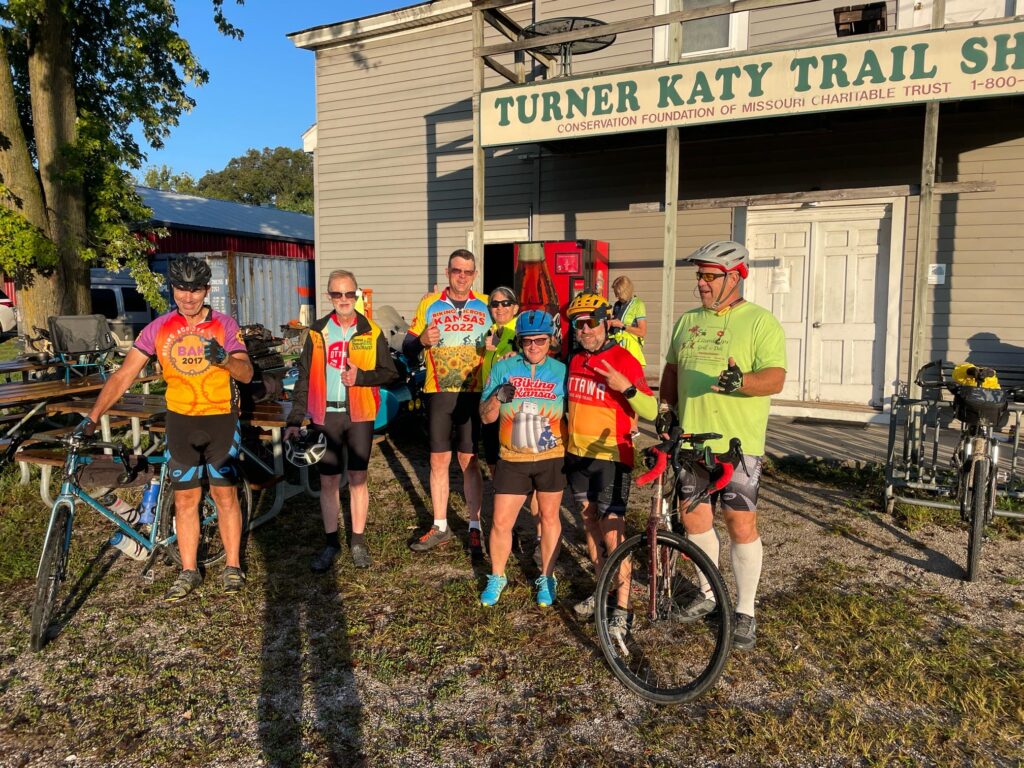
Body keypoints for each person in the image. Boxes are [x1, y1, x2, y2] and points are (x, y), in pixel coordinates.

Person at [77, 256, 254, 602]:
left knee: (224, 495)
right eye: (181, 289)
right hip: (181, 420)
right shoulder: (158, 328)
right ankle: (189, 571)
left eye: (195, 290)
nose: (188, 297)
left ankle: (232, 565)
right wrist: (93, 416)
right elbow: (125, 375)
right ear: (173, 289)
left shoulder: (225, 325)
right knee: (186, 498)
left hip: (219, 418)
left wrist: (224, 359)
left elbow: (246, 374)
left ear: (206, 290)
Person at [658, 240, 786, 651]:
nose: (701, 283)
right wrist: (665, 407)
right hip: (693, 439)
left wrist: (742, 382)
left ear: (735, 277)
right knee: (694, 520)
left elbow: (776, 378)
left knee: (739, 524)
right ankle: (709, 594)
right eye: (699, 275)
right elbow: (672, 368)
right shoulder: (688, 321)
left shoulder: (760, 322)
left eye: (710, 276)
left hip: (738, 444)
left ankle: (745, 611)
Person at [285, 269, 398, 571]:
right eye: (338, 294)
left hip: (360, 413)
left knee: (359, 477)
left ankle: (358, 541)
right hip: (326, 414)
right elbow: (304, 377)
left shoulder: (371, 331)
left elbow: (390, 372)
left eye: (350, 293)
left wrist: (361, 377)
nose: (344, 299)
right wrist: (295, 419)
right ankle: (331, 542)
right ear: (329, 296)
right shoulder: (317, 331)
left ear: (357, 294)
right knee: (329, 480)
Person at [564, 292, 657, 642]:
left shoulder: (624, 359)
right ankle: (602, 590)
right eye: (579, 324)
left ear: (605, 321)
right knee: (589, 524)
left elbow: (650, 409)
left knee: (613, 532)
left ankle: (623, 608)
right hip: (577, 455)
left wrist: (626, 387)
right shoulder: (573, 359)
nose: (585, 330)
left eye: (591, 323)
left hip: (611, 457)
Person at [402, 249, 490, 556]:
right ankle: (440, 525)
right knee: (439, 459)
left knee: (469, 461)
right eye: (457, 271)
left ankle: (475, 525)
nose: (462, 276)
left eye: (468, 272)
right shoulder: (429, 303)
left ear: (475, 275)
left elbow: (509, 334)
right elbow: (407, 344)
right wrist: (421, 341)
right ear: (447, 271)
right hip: (438, 391)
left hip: (473, 391)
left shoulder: (487, 304)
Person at [478, 310, 566, 607]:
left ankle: (547, 575)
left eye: (540, 340)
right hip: (512, 458)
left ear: (550, 340)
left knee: (550, 518)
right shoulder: (504, 368)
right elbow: (485, 417)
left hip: (551, 455)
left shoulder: (561, 371)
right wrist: (496, 398)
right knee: (501, 521)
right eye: (527, 341)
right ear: (519, 342)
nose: (533, 347)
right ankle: (497, 575)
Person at [480, 286, 519, 478]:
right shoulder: (492, 331)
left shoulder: (521, 331)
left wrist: (518, 353)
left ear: (515, 308)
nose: (500, 308)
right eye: (495, 304)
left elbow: (547, 348)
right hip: (490, 401)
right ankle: (500, 498)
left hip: (512, 406)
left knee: (512, 461)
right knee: (492, 458)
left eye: (506, 303)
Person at [608, 275, 647, 366]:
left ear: (626, 291)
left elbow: (642, 332)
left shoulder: (638, 305)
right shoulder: (617, 304)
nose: (616, 296)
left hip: (630, 350)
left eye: (618, 293)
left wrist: (622, 326)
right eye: (615, 293)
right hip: (616, 347)